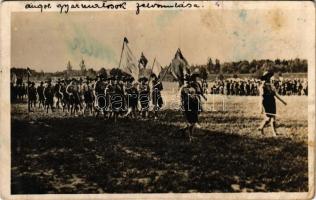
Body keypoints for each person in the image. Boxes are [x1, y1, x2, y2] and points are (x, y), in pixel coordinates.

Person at [178, 72, 206, 141]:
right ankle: (190, 137)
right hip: (186, 106)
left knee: (194, 121)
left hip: (193, 106)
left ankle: (184, 130)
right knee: (190, 122)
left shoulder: (192, 88)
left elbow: (196, 97)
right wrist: (181, 106)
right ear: (184, 81)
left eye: (188, 80)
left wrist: (199, 106)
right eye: (185, 80)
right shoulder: (182, 89)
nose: (187, 81)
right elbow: (180, 99)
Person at [258, 71, 287, 136]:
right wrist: (261, 108)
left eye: (269, 76)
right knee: (268, 119)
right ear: (265, 78)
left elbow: (275, 95)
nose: (269, 77)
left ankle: (274, 133)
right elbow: (261, 97)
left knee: (273, 118)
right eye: (268, 76)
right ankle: (261, 127)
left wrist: (283, 101)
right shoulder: (262, 86)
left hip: (272, 102)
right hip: (266, 103)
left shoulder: (271, 85)